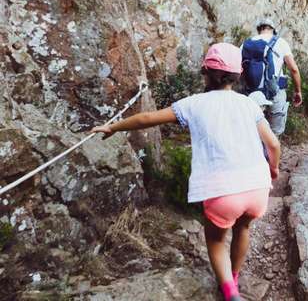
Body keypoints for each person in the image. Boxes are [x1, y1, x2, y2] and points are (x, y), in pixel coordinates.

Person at [91, 43, 281, 301]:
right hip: (256, 186)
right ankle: (234, 277)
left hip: (222, 191)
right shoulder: (249, 105)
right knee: (243, 229)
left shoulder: (193, 104)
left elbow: (147, 119)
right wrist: (273, 169)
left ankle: (230, 292)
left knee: (215, 240)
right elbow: (273, 144)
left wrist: (113, 127)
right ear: (238, 75)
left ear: (206, 72)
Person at [241, 18, 303, 135]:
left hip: (253, 94)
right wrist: (298, 91)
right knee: (275, 133)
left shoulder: (246, 44)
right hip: (276, 92)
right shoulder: (280, 42)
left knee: (253, 132)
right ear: (273, 30)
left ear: (259, 30)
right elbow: (294, 69)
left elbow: (238, 70)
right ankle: (271, 151)